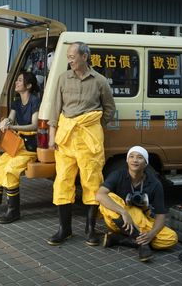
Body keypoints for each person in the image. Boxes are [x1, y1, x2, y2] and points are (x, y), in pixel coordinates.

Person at [47, 41, 116, 246]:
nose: (69, 59)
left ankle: (90, 230)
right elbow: (55, 109)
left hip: (89, 138)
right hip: (66, 137)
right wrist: (52, 135)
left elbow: (109, 109)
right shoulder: (62, 79)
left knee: (92, 181)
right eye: (68, 56)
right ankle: (64, 229)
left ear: (85, 57)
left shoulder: (100, 81)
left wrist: (94, 127)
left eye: (72, 55)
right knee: (63, 181)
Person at [96, 146, 178, 261]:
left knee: (171, 238)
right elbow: (100, 195)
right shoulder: (118, 174)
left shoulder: (155, 183)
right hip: (120, 219)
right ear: (127, 160)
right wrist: (123, 212)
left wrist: (151, 234)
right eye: (131, 156)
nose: (135, 160)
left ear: (146, 163)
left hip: (141, 221)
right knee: (109, 198)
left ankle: (121, 239)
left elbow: (161, 215)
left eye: (140, 157)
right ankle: (142, 244)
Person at [0, 72, 40, 224]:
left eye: (20, 80)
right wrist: (5, 122)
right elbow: (10, 118)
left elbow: (35, 125)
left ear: (29, 85)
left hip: (29, 147)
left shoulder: (35, 101)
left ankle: (13, 211)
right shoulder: (17, 102)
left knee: (10, 171)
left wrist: (14, 126)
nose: (16, 83)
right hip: (16, 146)